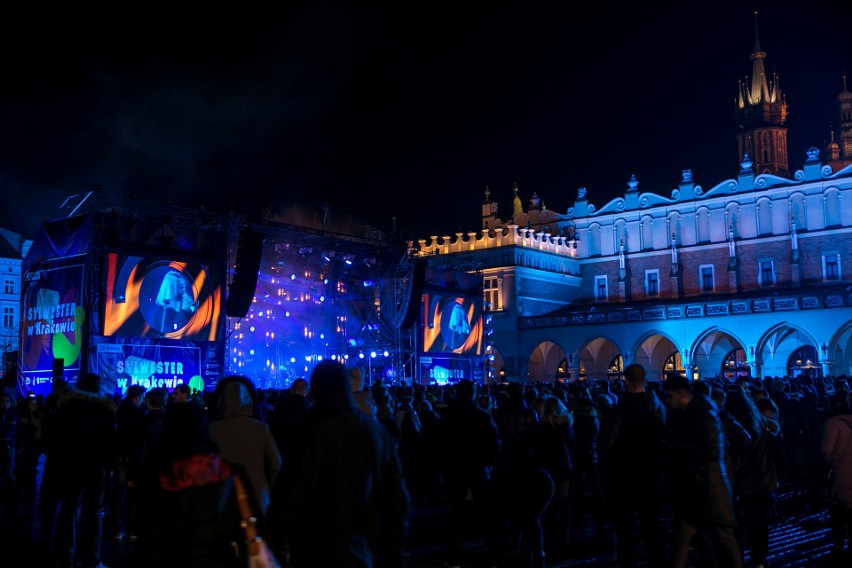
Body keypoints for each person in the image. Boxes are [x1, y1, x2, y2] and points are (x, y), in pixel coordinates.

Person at [266, 360, 410, 567]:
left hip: (311, 550)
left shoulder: (306, 433)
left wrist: (277, 547)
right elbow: (397, 498)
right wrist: (393, 553)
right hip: (361, 549)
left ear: (314, 391)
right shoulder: (376, 432)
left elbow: (288, 495)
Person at [663, 374, 743, 568]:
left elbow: (713, 451)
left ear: (681, 394)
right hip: (696, 489)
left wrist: (679, 447)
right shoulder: (688, 412)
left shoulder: (705, 414)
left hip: (710, 488)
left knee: (724, 539)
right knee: (683, 538)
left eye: (669, 396)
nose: (667, 401)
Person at [599, 363, 668, 568]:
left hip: (624, 476)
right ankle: (659, 562)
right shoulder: (657, 408)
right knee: (652, 525)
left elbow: (605, 447)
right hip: (650, 473)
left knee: (625, 529)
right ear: (644, 381)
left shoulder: (619, 410)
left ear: (626, 381)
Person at [45, 373, 116, 568]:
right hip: (95, 468)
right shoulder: (106, 411)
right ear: (97, 388)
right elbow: (110, 444)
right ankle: (92, 558)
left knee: (68, 510)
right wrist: (108, 467)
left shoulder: (65, 408)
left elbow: (53, 440)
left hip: (68, 466)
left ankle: (64, 556)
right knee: (93, 512)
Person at [436, 379, 502, 567]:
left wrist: (443, 466)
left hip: (455, 468)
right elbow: (495, 442)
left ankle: (454, 554)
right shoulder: (481, 415)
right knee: (486, 512)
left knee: (455, 513)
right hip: (478, 467)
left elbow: (438, 443)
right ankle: (493, 552)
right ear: (473, 394)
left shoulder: (447, 415)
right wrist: (488, 463)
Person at [210, 376, 281, 517]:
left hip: (220, 502)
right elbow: (276, 467)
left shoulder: (210, 430)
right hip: (258, 500)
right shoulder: (261, 429)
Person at [820, 390, 852, 565]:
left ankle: (839, 547)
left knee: (838, 515)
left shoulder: (832, 423)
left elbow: (826, 450)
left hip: (840, 473)